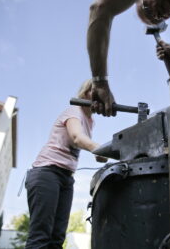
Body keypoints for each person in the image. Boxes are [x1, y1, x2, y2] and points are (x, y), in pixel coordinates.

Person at [25, 79, 107, 249]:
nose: (99, 97)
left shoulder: (90, 121)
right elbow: (77, 137)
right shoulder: (74, 111)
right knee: (40, 235)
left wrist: (97, 154)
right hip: (47, 172)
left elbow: (82, 143)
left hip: (66, 178)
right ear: (86, 93)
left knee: (57, 238)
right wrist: (100, 149)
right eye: (95, 92)